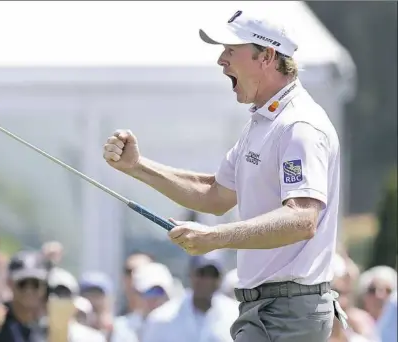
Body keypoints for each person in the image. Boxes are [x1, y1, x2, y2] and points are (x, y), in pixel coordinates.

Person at [103, 9, 346, 341]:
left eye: (231, 50)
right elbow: (215, 194)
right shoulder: (263, 123)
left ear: (267, 56)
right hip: (265, 309)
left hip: (288, 312)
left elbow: (302, 218)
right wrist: (138, 166)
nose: (221, 59)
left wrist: (214, 238)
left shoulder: (299, 126)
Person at [141, 252, 238, 342]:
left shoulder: (235, 316)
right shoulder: (162, 319)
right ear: (190, 274)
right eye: (201, 273)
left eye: (212, 274)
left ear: (220, 278)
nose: (207, 280)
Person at [0, 250, 51, 342]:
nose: (29, 290)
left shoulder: (51, 327)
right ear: (10, 283)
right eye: (22, 283)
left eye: (35, 284)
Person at [116, 262, 174, 337]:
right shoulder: (122, 329)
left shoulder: (181, 326)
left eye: (159, 291)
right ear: (136, 294)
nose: (155, 298)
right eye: (149, 292)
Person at [79, 271, 138, 342]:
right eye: (87, 295)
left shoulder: (123, 332)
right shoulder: (72, 332)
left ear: (110, 299)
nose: (93, 301)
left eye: (97, 295)